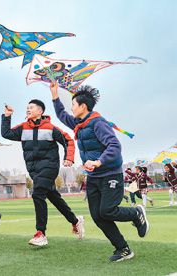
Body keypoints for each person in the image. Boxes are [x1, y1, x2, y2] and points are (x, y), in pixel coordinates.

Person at [50, 82, 149, 262]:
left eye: (73, 105)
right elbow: (61, 115)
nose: (71, 108)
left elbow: (114, 146)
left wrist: (98, 161)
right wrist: (55, 95)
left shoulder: (98, 123)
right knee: (97, 216)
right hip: (94, 177)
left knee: (108, 211)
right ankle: (123, 249)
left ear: (83, 106)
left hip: (110, 174)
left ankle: (136, 213)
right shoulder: (79, 123)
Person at [1, 99, 85, 247]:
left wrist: (69, 158)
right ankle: (75, 221)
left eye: (31, 107)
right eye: (27, 107)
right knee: (53, 197)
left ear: (40, 111)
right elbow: (6, 133)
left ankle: (41, 233)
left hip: (49, 166)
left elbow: (68, 140)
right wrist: (7, 116)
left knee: (37, 193)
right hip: (34, 169)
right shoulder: (23, 128)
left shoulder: (50, 128)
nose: (28, 110)